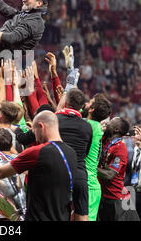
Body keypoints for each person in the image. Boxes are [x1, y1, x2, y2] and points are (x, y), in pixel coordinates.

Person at [0, 111, 77, 221]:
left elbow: (2, 172)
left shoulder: (37, 152)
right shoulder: (71, 153)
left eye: (34, 131)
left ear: (41, 126)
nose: (35, 137)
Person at [56, 88, 92, 221]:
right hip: (79, 174)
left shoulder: (55, 120)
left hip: (58, 173)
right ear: (82, 107)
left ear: (66, 101)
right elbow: (85, 152)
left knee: (56, 213)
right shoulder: (87, 126)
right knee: (82, 213)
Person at [97, 117, 140, 221]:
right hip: (104, 196)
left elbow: (110, 174)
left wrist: (89, 167)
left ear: (116, 129)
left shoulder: (120, 149)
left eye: (111, 122)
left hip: (116, 200)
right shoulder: (105, 140)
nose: (107, 123)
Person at [82, 93, 112, 221]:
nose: (86, 103)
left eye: (89, 101)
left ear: (92, 109)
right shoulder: (95, 126)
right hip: (89, 183)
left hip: (88, 184)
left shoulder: (89, 126)